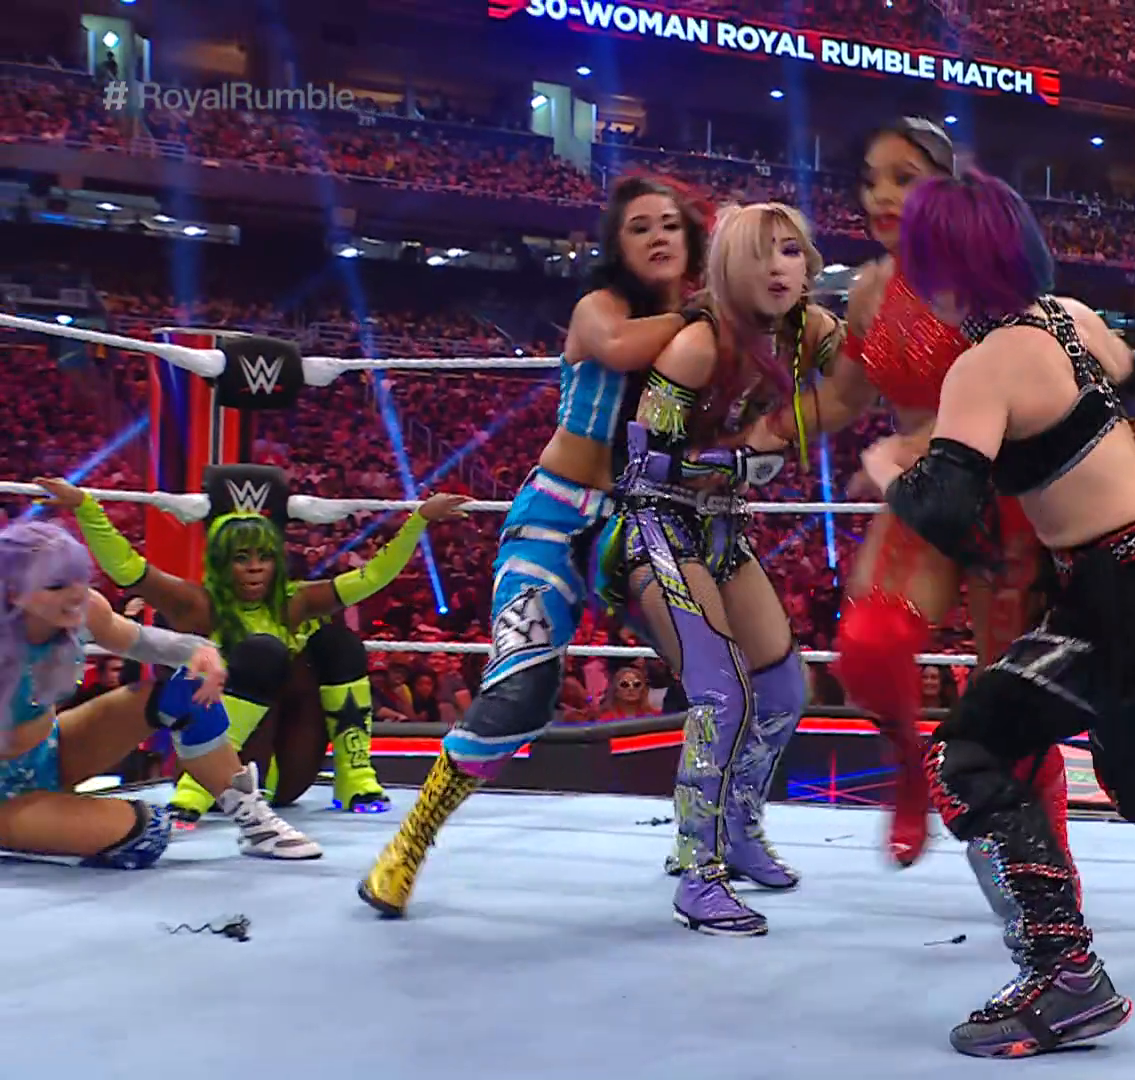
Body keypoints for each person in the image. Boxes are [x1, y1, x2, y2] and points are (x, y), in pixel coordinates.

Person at [859, 168, 1135, 1057]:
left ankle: (1063, 973)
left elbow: (943, 507)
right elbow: (1129, 377)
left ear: (940, 267)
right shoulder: (1071, 317)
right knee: (1132, 757)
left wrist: (890, 468)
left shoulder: (983, 364)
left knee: (965, 754)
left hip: (1116, 591)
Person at [737, 118, 1076, 895]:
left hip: (1009, 495)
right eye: (870, 179)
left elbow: (1034, 384)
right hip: (923, 497)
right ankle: (908, 770)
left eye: (903, 177)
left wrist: (929, 440)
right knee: (868, 644)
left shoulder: (992, 278)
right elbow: (846, 397)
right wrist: (766, 429)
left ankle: (1050, 880)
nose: (881, 196)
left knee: (1012, 695)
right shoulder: (871, 289)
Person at [359, 173, 709, 918]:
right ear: (618, 244)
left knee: (711, 665)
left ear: (690, 239)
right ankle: (409, 841)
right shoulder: (600, 308)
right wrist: (705, 314)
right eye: (639, 225)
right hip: (553, 517)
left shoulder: (702, 335)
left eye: (669, 224)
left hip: (633, 522)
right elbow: (617, 349)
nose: (656, 235)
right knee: (520, 693)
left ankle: (702, 839)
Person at [597, 202, 843, 935]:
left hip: (723, 528)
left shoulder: (805, 331)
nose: (780, 268)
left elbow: (868, 375)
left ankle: (738, 827)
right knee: (721, 692)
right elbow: (641, 466)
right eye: (763, 253)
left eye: (792, 252)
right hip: (656, 525)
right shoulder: (699, 344)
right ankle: (695, 872)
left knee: (785, 686)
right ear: (733, 265)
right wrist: (739, 460)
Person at [38, 476, 468, 819]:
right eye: (242, 558)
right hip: (219, 766)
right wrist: (86, 508)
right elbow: (129, 570)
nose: (255, 568)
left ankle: (354, 774)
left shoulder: (295, 601)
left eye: (264, 557)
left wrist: (419, 521)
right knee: (262, 653)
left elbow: (371, 578)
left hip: (289, 763)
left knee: (338, 642)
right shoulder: (198, 605)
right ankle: (199, 785)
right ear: (222, 563)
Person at [0, 521, 318, 863]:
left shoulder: (85, 609)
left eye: (79, 578)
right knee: (146, 833)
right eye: (56, 586)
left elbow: (143, 641)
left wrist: (201, 651)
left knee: (184, 693)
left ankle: (253, 818)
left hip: (50, 752)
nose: (76, 594)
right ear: (14, 592)